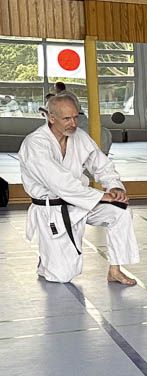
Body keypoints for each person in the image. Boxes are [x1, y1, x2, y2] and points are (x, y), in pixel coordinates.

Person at [17, 93, 139, 285]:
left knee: (120, 211)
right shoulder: (35, 144)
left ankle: (115, 270)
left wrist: (114, 186)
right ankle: (46, 260)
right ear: (51, 118)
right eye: (67, 119)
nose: (73, 123)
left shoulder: (79, 136)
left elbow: (101, 164)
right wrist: (102, 196)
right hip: (53, 209)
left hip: (81, 203)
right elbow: (60, 183)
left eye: (75, 117)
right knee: (61, 276)